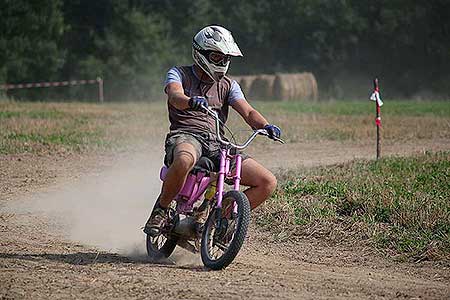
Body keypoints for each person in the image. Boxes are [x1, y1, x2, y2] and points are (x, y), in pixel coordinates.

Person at [144, 25, 281, 236]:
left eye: (226, 58)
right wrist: (190, 101)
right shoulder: (178, 73)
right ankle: (161, 210)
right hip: (187, 135)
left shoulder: (229, 85)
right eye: (217, 57)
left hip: (218, 143)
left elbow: (248, 112)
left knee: (267, 182)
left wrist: (265, 126)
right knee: (183, 160)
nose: (223, 63)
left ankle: (217, 222)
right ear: (200, 53)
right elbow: (174, 96)